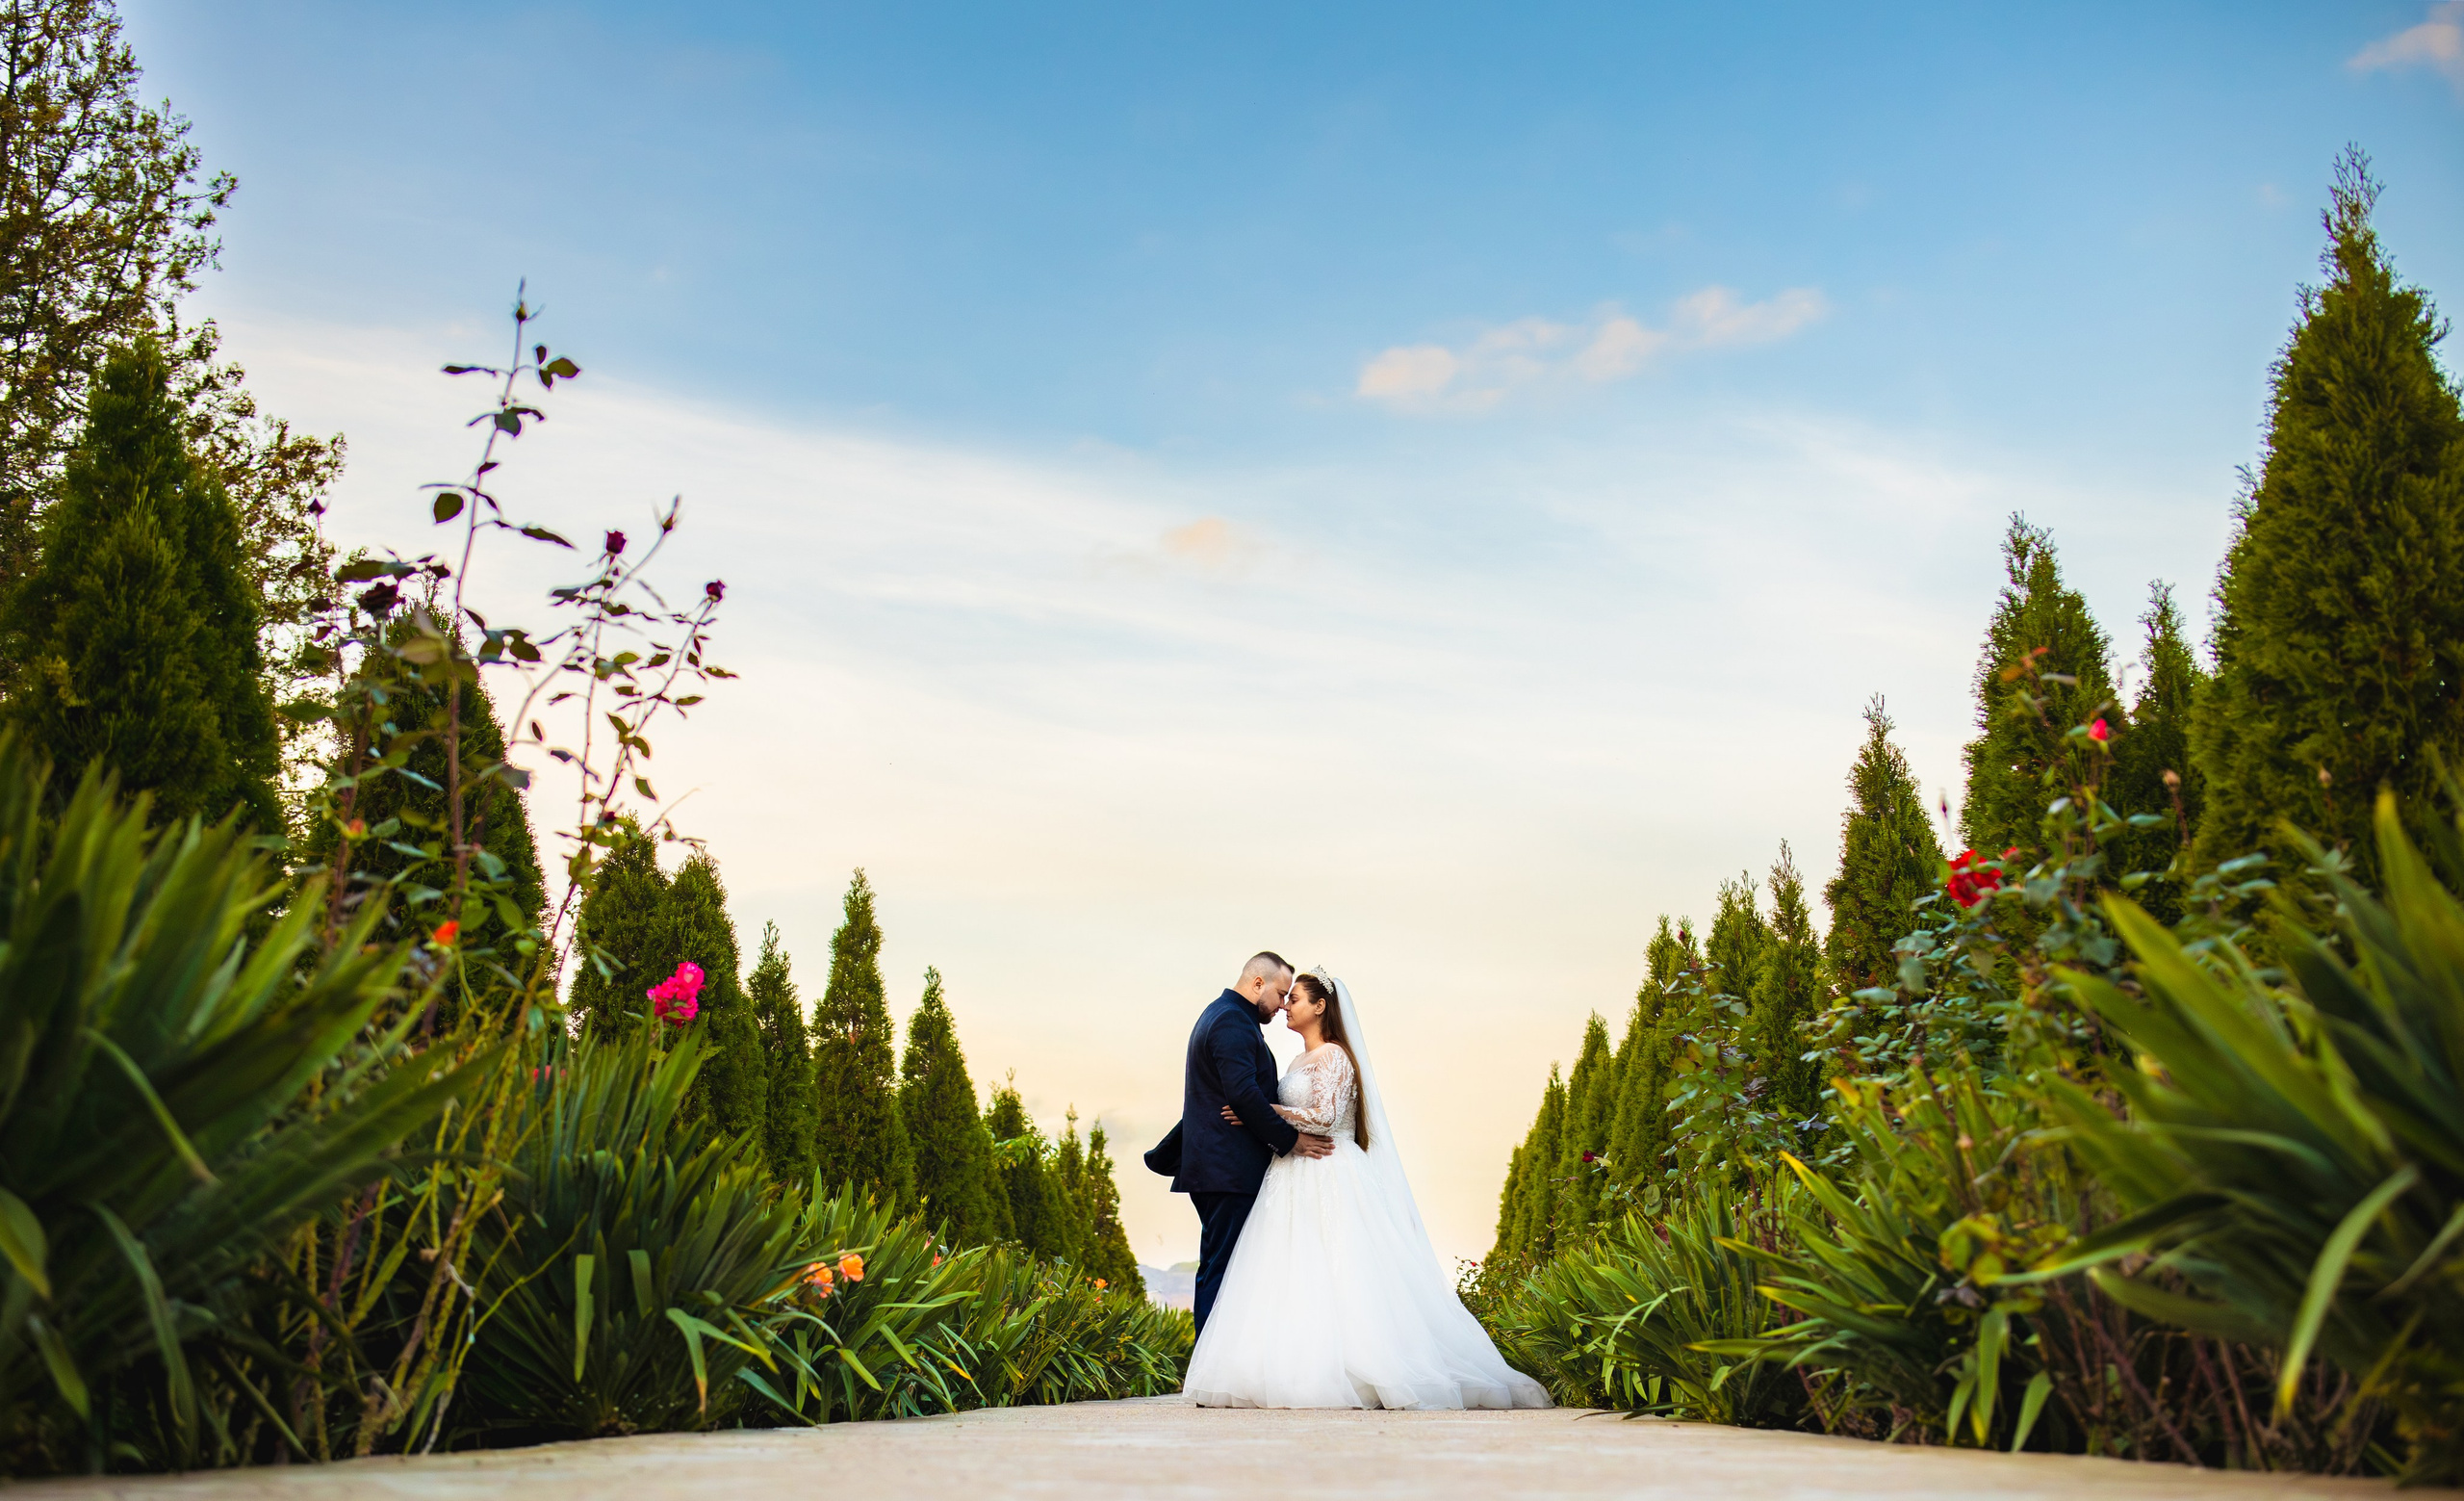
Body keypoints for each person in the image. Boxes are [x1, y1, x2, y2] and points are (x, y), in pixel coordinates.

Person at [1179, 967, 1550, 1410]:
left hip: (1328, 1171)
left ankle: (1359, 1368)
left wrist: (1266, 1109)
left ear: (1320, 1007)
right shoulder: (1296, 1061)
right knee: (1293, 1272)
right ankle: (1296, 1366)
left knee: (1341, 1269)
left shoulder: (1334, 1056)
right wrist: (1268, 1116)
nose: (1285, 1007)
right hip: (1292, 1173)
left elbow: (1325, 1115)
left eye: (1293, 999)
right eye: (1285, 997)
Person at [1147, 952, 1336, 1334]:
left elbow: (1240, 1095)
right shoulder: (1233, 1022)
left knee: (1226, 1266)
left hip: (1218, 1165)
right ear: (1257, 984)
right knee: (1224, 1269)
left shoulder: (1222, 1014)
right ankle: (1209, 1371)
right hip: (1227, 1168)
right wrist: (1292, 1140)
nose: (1282, 1004)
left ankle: (1216, 1370)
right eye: (1281, 994)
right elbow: (1242, 1093)